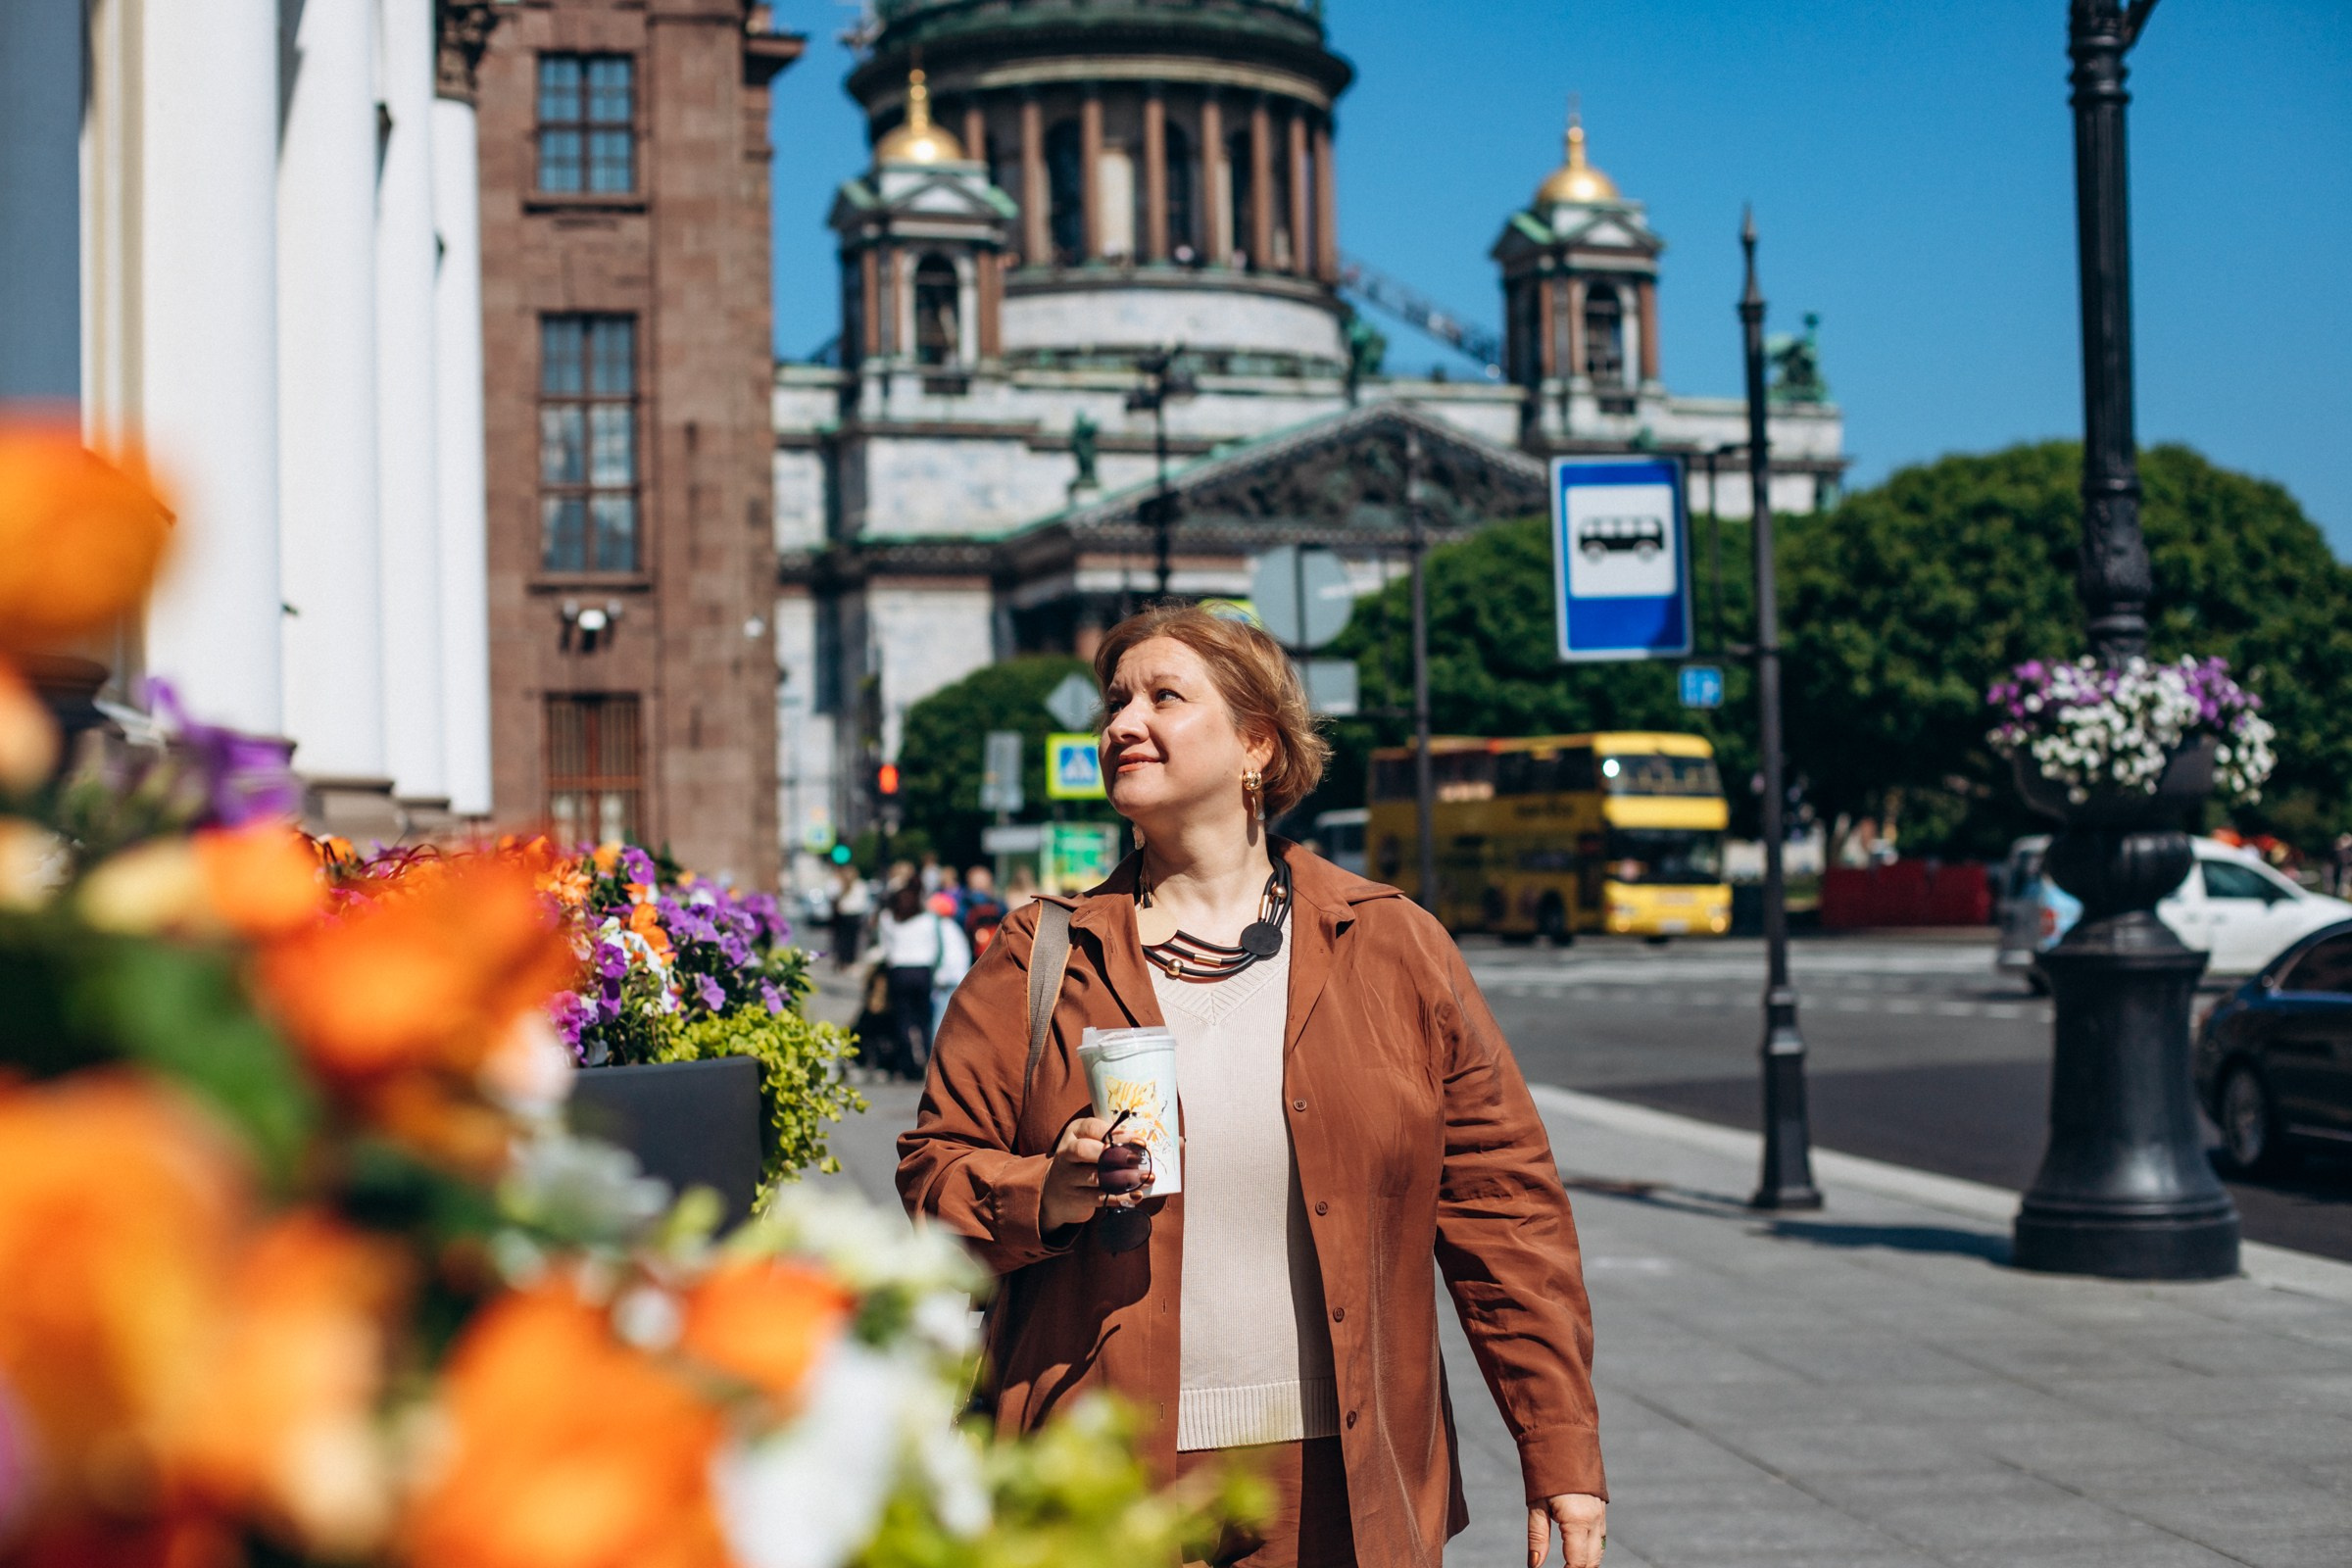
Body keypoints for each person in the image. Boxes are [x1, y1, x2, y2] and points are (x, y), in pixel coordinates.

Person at [899, 606, 1606, 1568]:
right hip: (1102, 1484)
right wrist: (1046, 1192)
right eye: (1115, 702)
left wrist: (1558, 1447)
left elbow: (1504, 1209)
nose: (1120, 724)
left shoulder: (1392, 944)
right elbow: (933, 1177)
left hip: (1338, 1489)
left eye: (1163, 696)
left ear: (1255, 745)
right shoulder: (1041, 954)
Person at [875, 878, 969, 1080]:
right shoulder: (928, 920)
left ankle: (908, 1059)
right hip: (922, 972)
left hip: (899, 971)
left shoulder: (888, 918)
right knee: (924, 1018)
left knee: (903, 1019)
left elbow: (885, 948)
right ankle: (926, 1058)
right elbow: (936, 948)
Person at [830, 865, 872, 971]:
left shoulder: (855, 885)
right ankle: (847, 960)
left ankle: (844, 960)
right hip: (851, 915)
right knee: (850, 940)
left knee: (844, 939)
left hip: (847, 915)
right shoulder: (856, 885)